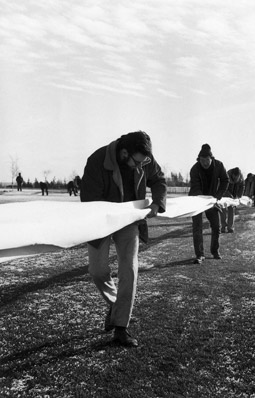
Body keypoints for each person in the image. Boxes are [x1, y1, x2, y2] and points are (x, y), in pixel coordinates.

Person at [80, 131, 167, 347]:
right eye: (137, 162)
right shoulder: (97, 160)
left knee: (129, 269)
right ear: (124, 153)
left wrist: (158, 202)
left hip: (129, 222)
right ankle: (115, 303)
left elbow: (158, 179)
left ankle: (121, 327)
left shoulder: (145, 158)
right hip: (102, 220)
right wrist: (105, 219)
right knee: (97, 271)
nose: (141, 167)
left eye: (144, 162)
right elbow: (89, 199)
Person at [189, 143, 228, 264]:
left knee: (216, 226)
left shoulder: (219, 165)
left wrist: (217, 197)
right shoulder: (194, 169)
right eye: (202, 160)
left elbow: (225, 180)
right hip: (197, 200)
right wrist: (203, 200)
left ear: (212, 158)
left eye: (207, 160)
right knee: (197, 227)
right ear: (198, 159)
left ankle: (215, 251)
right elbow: (195, 187)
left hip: (212, 200)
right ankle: (199, 255)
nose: (205, 163)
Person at [221, 167, 244, 233]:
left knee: (232, 210)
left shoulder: (241, 177)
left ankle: (230, 227)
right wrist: (228, 194)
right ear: (232, 175)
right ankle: (223, 226)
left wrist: (239, 196)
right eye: (234, 177)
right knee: (223, 210)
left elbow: (242, 186)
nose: (236, 179)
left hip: (234, 196)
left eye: (237, 177)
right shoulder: (226, 176)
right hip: (224, 195)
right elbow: (223, 187)